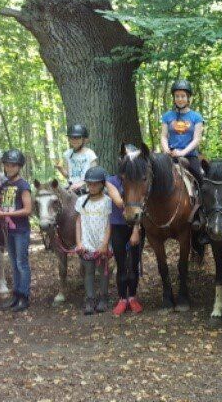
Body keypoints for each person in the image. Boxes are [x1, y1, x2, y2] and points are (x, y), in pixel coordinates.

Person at [106, 147, 144, 316]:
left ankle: (133, 297)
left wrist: (136, 229)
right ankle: (122, 298)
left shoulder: (140, 182)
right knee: (121, 264)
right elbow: (119, 201)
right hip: (118, 227)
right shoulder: (111, 181)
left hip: (135, 226)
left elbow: (141, 207)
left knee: (134, 263)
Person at [0, 149, 34, 312]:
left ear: (19, 167)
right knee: (13, 263)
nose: (9, 168)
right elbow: (3, 204)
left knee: (21, 263)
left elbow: (27, 210)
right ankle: (16, 294)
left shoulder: (23, 185)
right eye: (7, 165)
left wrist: (5, 213)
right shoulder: (4, 185)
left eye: (13, 165)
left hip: (21, 230)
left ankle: (24, 296)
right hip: (9, 231)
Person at [75, 166, 113, 315]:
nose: (92, 187)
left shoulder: (107, 201)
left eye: (95, 184)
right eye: (89, 184)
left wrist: (105, 243)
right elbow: (78, 222)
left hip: (101, 243)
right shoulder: (81, 201)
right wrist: (79, 242)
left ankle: (104, 297)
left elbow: (109, 223)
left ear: (103, 184)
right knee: (88, 271)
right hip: (86, 243)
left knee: (103, 271)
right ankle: (90, 298)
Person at [160, 79, 205, 185]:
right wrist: (166, 150)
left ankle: (201, 200)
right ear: (174, 98)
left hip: (189, 156)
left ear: (188, 97)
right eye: (177, 96)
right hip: (171, 155)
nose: (180, 99)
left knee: (200, 179)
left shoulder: (196, 117)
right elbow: (164, 136)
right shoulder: (167, 116)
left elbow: (197, 139)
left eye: (183, 96)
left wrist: (182, 152)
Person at [56, 124, 98, 194]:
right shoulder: (67, 154)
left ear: (84, 139)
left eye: (78, 137)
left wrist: (83, 183)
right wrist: (60, 168)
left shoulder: (90, 154)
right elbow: (67, 175)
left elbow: (95, 174)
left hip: (87, 188)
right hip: (72, 188)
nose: (74, 140)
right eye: (72, 137)